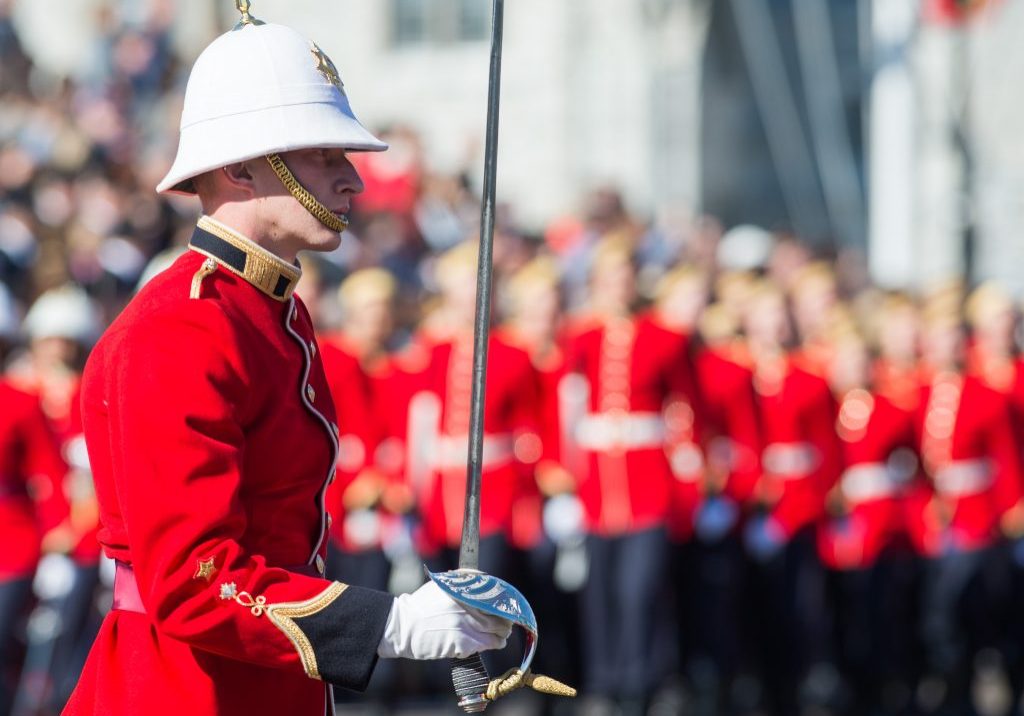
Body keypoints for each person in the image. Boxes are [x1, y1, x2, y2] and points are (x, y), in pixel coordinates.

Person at [62, 11, 511, 716]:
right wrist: (391, 624)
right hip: (183, 690)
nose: (352, 180)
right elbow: (192, 579)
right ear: (241, 166)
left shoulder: (275, 312)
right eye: (323, 156)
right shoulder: (180, 329)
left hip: (267, 681)